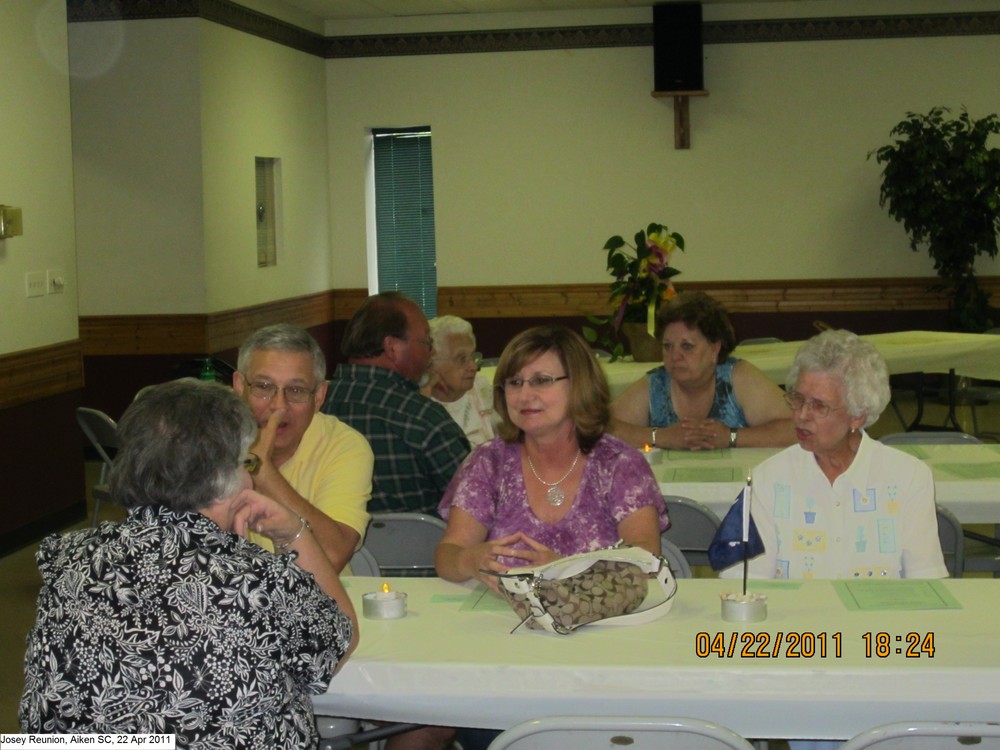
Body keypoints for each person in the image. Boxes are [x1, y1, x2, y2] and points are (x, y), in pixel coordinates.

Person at [20, 379, 357, 747]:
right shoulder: (260, 580)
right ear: (223, 477)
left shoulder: (68, 558)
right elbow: (340, 640)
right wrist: (295, 532)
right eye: (247, 462)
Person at [436, 324, 668, 587]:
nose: (524, 395)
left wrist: (566, 571)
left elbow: (645, 558)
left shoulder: (618, 465)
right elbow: (448, 553)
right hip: (503, 619)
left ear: (579, 384)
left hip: (600, 620)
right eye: (514, 382)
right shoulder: (489, 462)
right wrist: (469, 559)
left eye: (542, 380)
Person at [729, 328, 947, 580]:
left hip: (882, 619)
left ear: (858, 415)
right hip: (796, 619)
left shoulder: (909, 478)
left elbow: (927, 585)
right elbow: (748, 585)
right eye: (798, 399)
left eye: (818, 405)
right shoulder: (767, 480)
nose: (801, 415)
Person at [233, 323, 374, 572]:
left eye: (296, 390)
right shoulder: (210, 439)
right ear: (239, 386)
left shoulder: (343, 445)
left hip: (317, 601)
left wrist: (263, 473)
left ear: (319, 396)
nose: (279, 406)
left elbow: (333, 555)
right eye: (264, 387)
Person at [322, 292, 470, 514]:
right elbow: (475, 502)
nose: (432, 351)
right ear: (392, 347)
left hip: (324, 544)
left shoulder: (314, 405)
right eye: (426, 342)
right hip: (423, 546)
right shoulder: (425, 419)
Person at [611, 291, 795, 451]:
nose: (675, 356)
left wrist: (730, 438)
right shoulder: (655, 383)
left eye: (687, 346)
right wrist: (661, 437)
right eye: (667, 346)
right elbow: (600, 428)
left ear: (714, 349)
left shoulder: (738, 377)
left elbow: (796, 428)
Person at [423, 315, 497, 446]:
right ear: (432, 363)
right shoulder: (422, 403)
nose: (473, 367)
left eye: (473, 356)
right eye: (461, 359)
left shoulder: (483, 389)